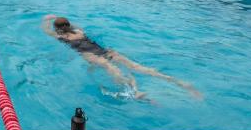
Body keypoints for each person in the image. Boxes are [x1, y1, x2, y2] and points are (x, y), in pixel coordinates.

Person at [42, 15, 201, 101]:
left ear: (57, 29)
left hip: (91, 55)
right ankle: (176, 81)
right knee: (137, 67)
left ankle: (136, 92)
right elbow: (76, 25)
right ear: (69, 25)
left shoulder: (60, 36)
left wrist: (46, 20)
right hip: (105, 51)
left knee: (113, 71)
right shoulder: (79, 32)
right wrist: (63, 19)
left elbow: (45, 29)